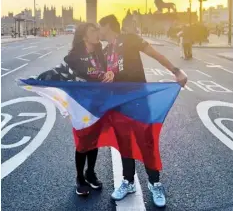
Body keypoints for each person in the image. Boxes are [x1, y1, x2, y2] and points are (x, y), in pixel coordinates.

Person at [99, 14, 187, 208]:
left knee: (146, 142)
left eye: (100, 28)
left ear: (108, 27)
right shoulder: (106, 51)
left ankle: (155, 183)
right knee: (124, 144)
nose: (99, 32)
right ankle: (128, 182)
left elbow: (154, 53)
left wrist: (176, 70)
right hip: (119, 104)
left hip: (139, 100)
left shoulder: (129, 39)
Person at [36, 23, 112, 196]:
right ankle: (80, 177)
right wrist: (36, 80)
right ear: (84, 36)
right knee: (82, 140)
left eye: (97, 30)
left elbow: (109, 70)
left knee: (94, 140)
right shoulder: (74, 57)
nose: (97, 34)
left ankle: (90, 172)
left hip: (97, 102)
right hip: (79, 104)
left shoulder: (102, 53)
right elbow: (58, 72)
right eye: (93, 31)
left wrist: (110, 74)